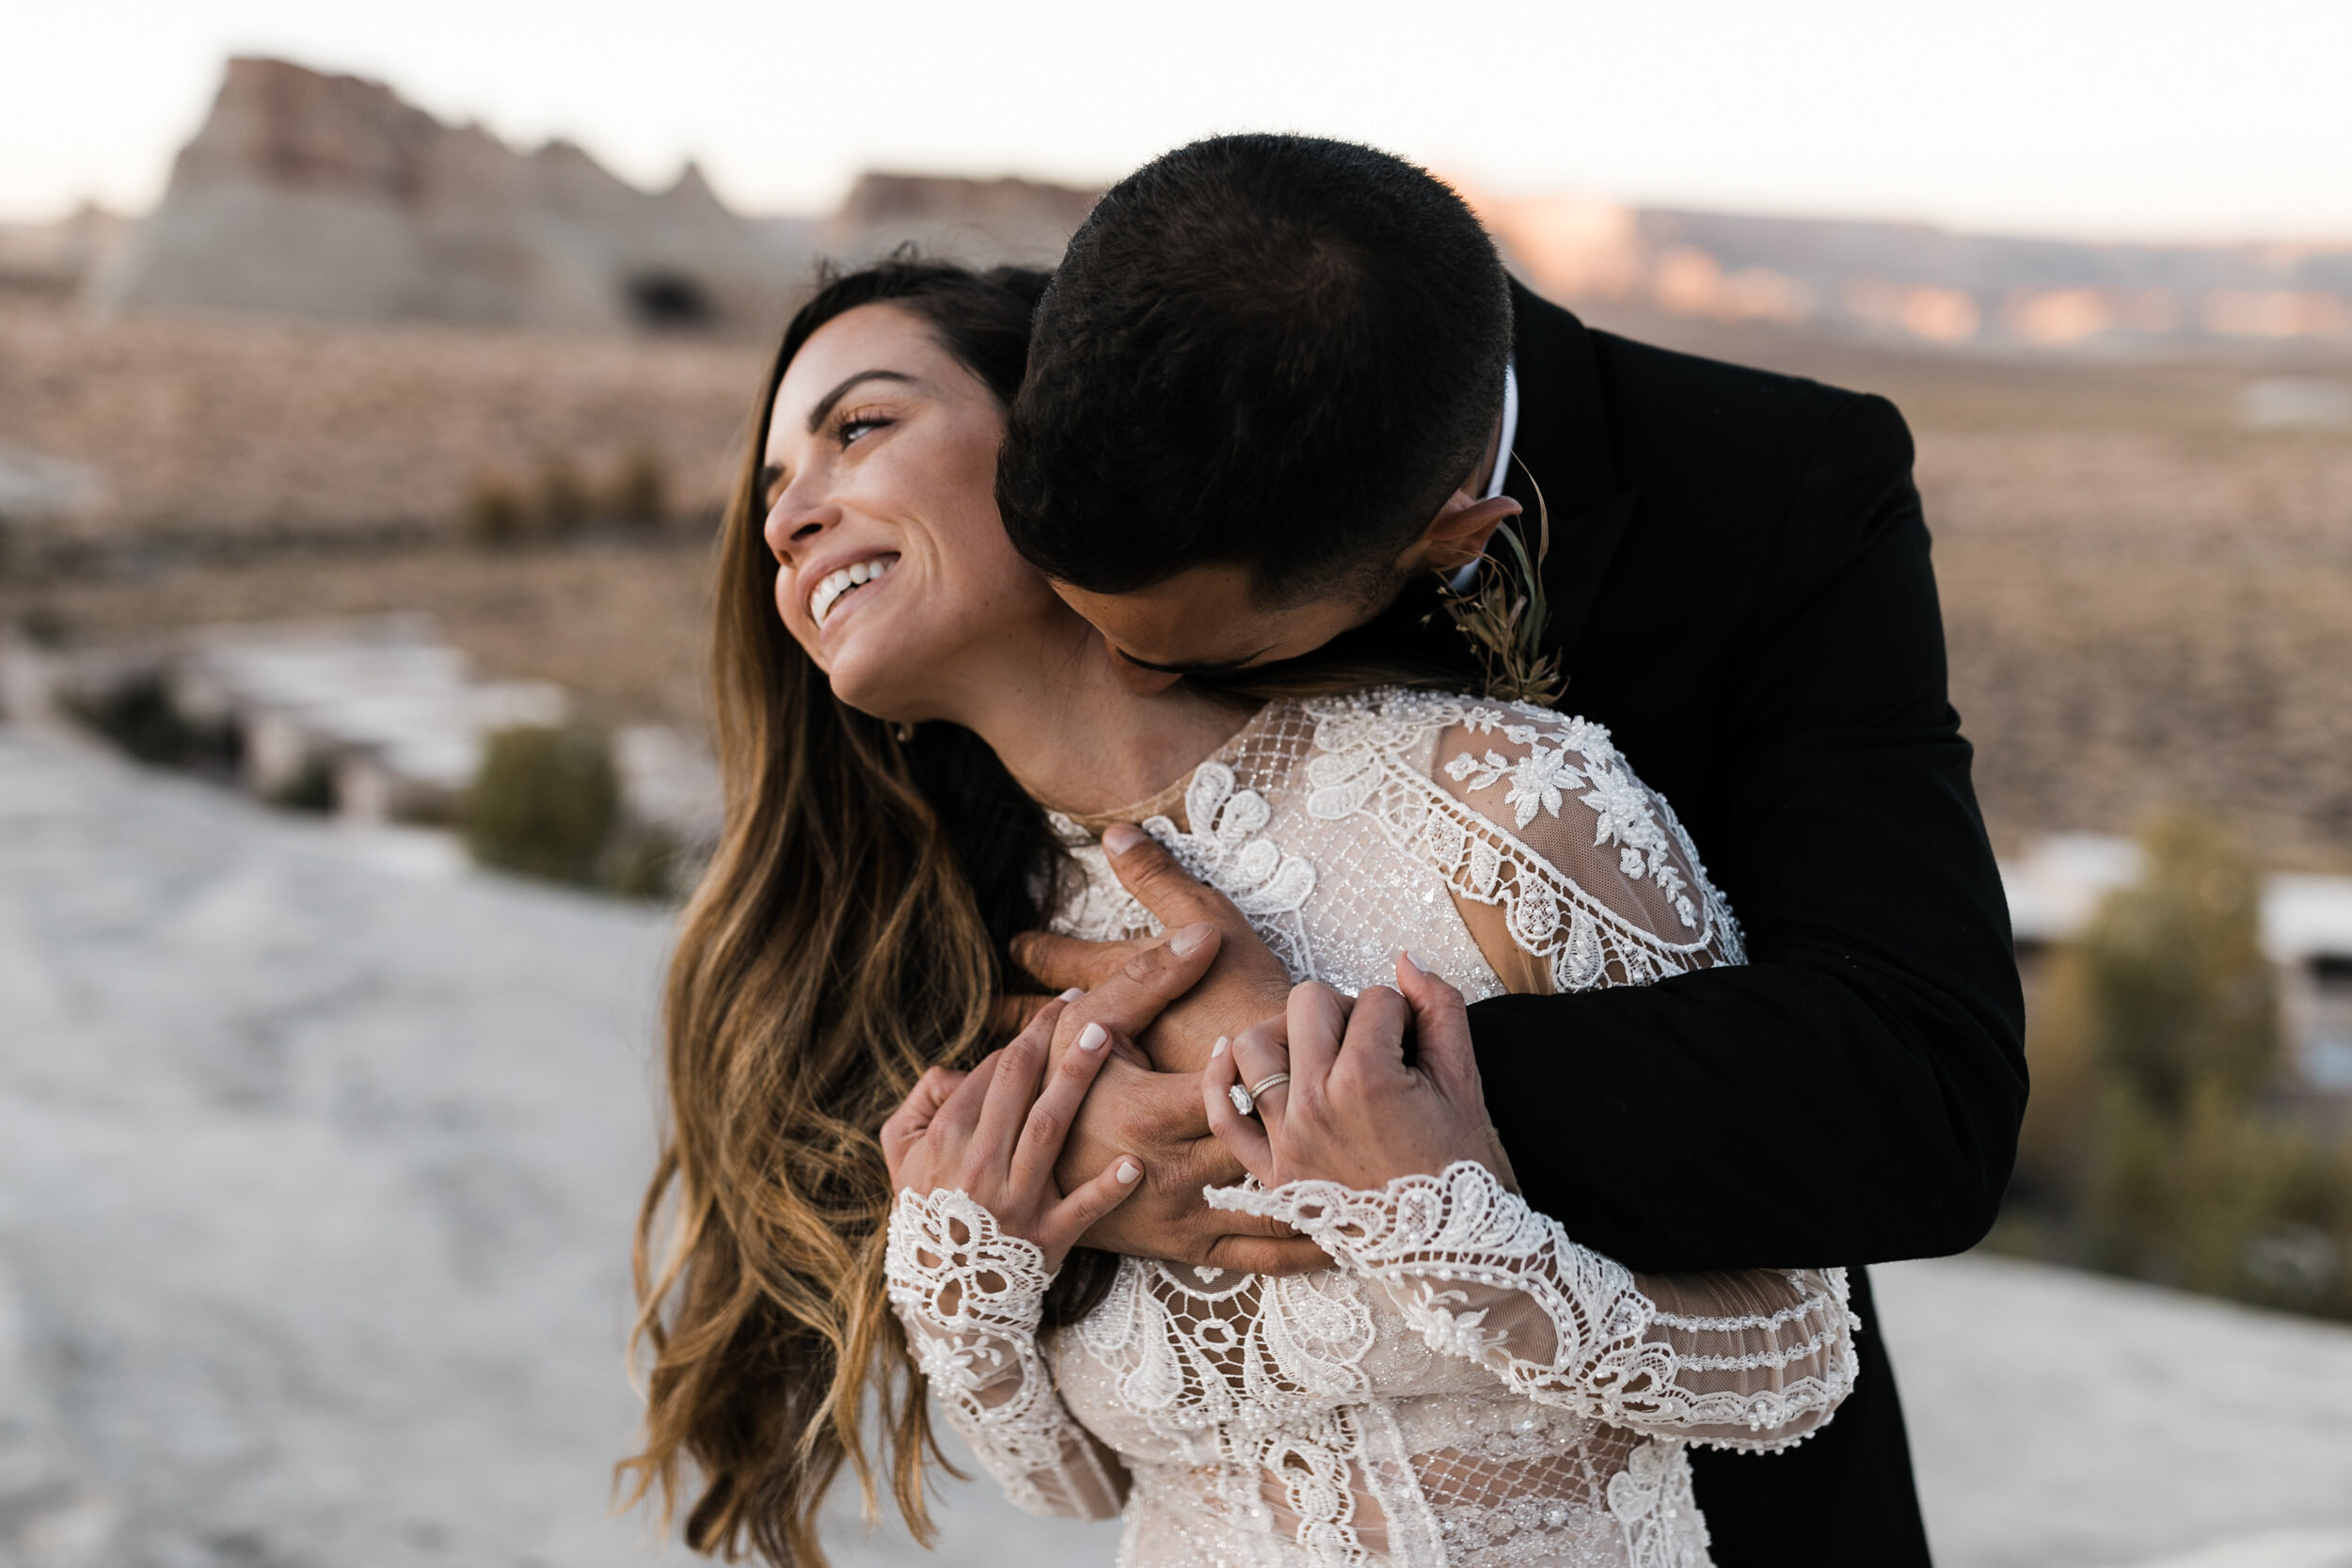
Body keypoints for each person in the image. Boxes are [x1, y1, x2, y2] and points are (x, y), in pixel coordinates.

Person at [624, 260, 1861, 1567]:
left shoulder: (1499, 808)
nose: (787, 520)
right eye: (769, 493)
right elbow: (1082, 1484)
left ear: (1064, 448)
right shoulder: (979, 961)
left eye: (858, 428)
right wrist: (971, 1284)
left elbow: (1795, 1349)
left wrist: (1439, 1223)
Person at [993, 135, 2028, 1565]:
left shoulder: (1786, 491)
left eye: (1195, 654)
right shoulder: (1088, 385)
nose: (1120, 680)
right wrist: (1078, 1123)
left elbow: (1921, 1090)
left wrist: (1310, 1079)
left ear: (1452, 536)